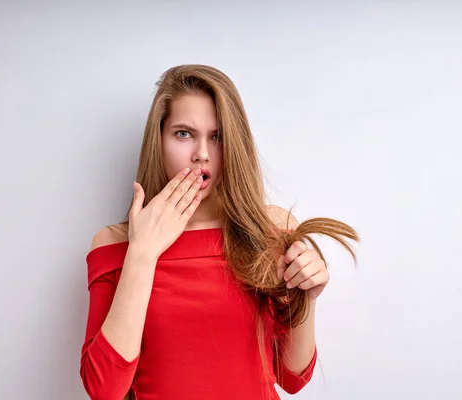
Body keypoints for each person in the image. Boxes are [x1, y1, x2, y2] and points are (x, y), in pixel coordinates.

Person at [79, 64, 359, 400]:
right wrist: (142, 253)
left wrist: (306, 298)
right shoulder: (115, 244)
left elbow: (292, 377)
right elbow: (104, 389)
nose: (202, 154)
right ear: (159, 139)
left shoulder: (271, 229)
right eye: (184, 133)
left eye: (218, 137)